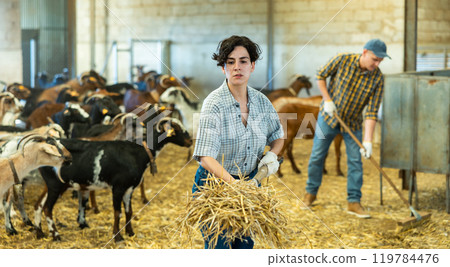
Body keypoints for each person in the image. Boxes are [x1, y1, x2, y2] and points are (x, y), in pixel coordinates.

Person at [192, 35, 284, 249]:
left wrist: (272, 156)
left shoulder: (262, 101)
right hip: (214, 187)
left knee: (244, 246)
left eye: (243, 61)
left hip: (251, 183)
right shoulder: (213, 104)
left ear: (252, 65)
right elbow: (205, 157)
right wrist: (237, 188)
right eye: (230, 62)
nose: (237, 67)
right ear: (222, 67)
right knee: (220, 248)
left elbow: (278, 137)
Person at [302, 39, 390, 218]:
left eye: (380, 61)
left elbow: (372, 112)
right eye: (374, 59)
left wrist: (367, 140)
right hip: (328, 117)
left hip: (353, 123)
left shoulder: (378, 79)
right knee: (317, 156)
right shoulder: (342, 59)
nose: (377, 64)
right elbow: (320, 74)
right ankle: (310, 194)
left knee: (355, 162)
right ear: (364, 52)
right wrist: (327, 100)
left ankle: (354, 202)